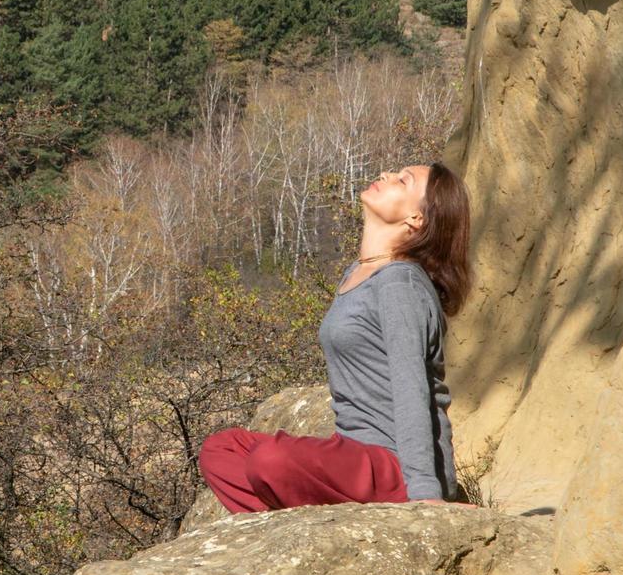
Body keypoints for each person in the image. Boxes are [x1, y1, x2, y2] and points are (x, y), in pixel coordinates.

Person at [198, 160, 473, 513]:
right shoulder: (357, 274)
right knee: (222, 449)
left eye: (403, 181)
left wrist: (424, 495)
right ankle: (293, 520)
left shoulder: (400, 283)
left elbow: (411, 388)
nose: (387, 175)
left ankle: (299, 513)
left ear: (416, 219)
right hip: (353, 454)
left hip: (394, 468)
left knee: (270, 460)